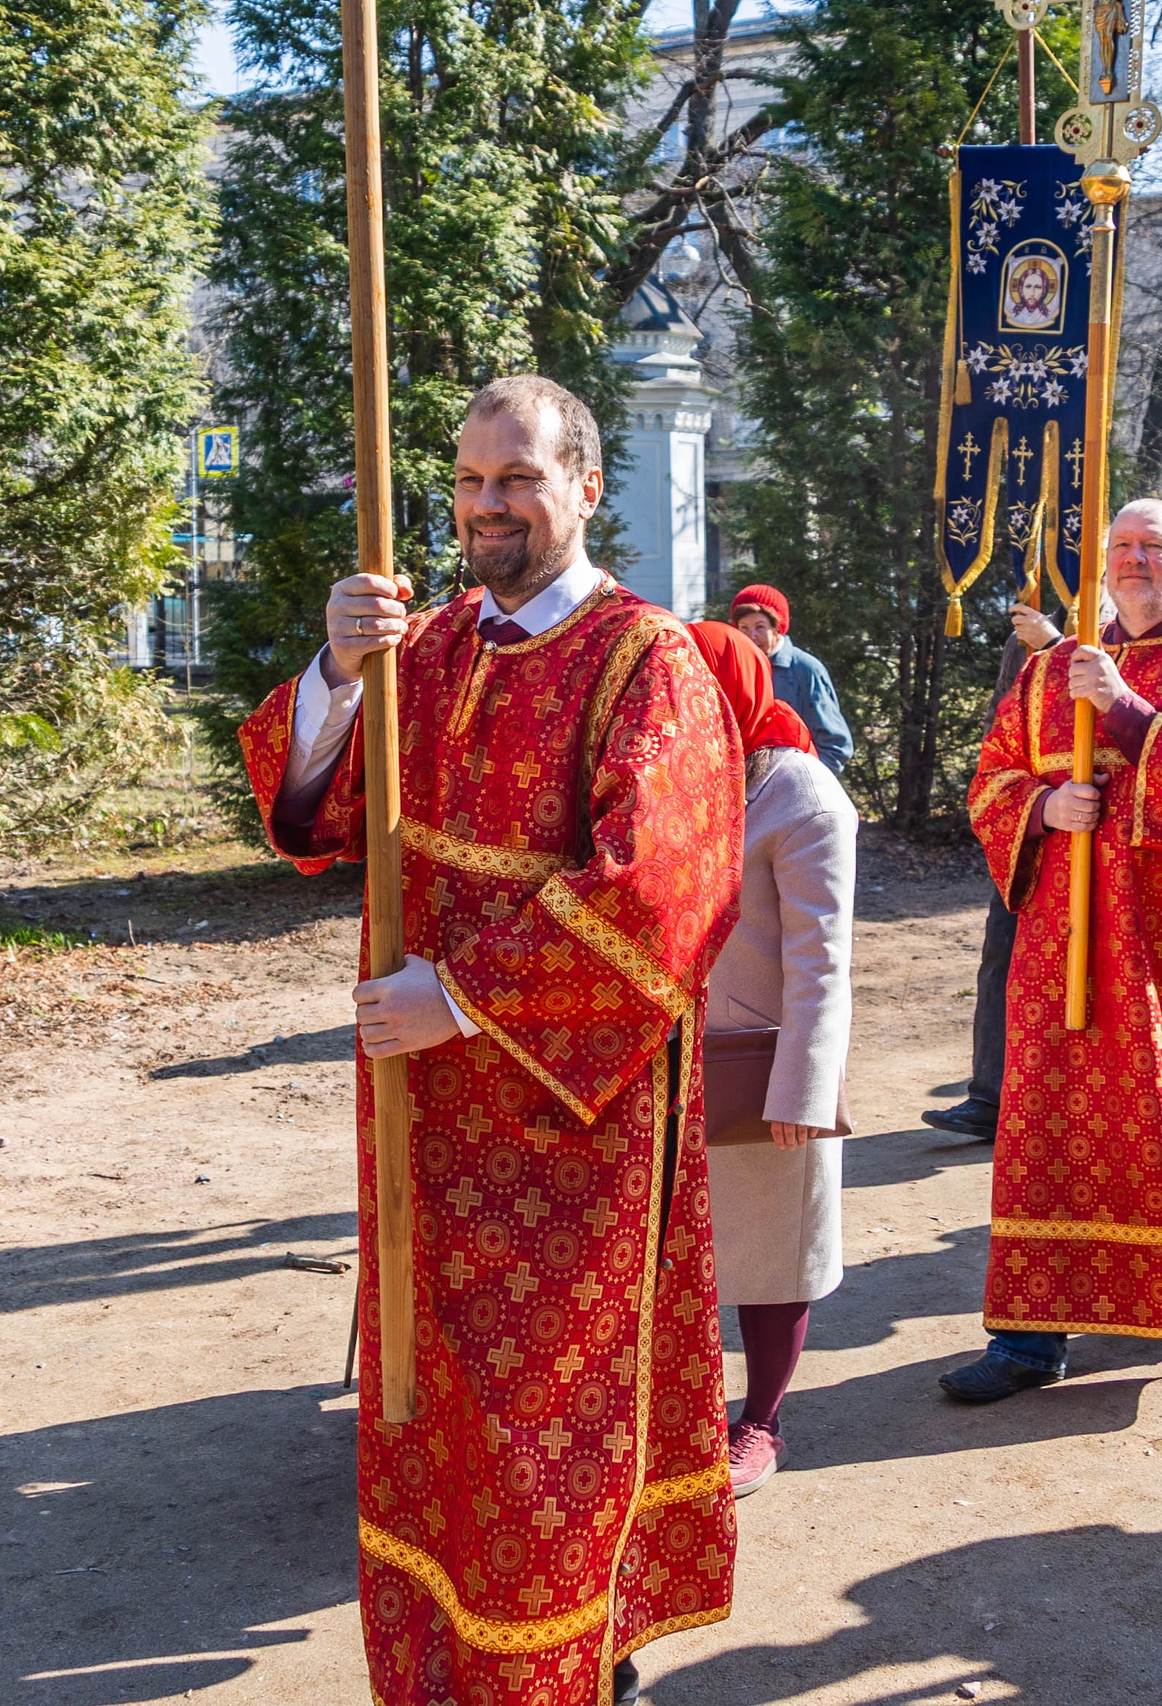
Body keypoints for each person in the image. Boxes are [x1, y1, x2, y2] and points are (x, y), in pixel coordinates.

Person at [239, 375, 747, 1703]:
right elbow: (313, 813)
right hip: (423, 1117)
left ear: (586, 487)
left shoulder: (649, 658)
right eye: (470, 480)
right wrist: (335, 672)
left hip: (570, 1128)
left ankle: (580, 1664)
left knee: (549, 1430)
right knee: (439, 1407)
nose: (488, 504)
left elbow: (662, 889)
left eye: (518, 477)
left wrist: (460, 996)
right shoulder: (426, 647)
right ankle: (449, 1665)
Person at [941, 499, 1162, 1402]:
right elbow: (991, 777)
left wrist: (1127, 712)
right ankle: (1030, 1337)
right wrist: (1043, 808)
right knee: (1048, 1124)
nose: (1135, 560)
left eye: (1154, 547)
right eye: (1122, 546)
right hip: (1062, 943)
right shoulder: (1048, 668)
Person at [687, 621, 857, 1499]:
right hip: (674, 1059)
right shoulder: (674, 778)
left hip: (765, 1067)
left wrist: (803, 1090)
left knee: (771, 1257)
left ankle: (761, 1420)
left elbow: (821, 960)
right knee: (679, 1253)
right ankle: (680, 1412)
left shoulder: (803, 797)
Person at [926, 600, 1066, 1141]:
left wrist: (1055, 649)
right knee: (1001, 956)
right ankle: (990, 1097)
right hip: (1029, 825)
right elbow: (999, 727)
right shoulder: (1024, 636)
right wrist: (1010, 802)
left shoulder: (1127, 632)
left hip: (1101, 835)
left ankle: (1065, 1101)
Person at [731, 582, 855, 775]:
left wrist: (804, 783)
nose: (751, 636)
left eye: (760, 627)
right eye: (743, 628)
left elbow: (836, 746)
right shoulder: (736, 668)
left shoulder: (805, 669)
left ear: (777, 628)